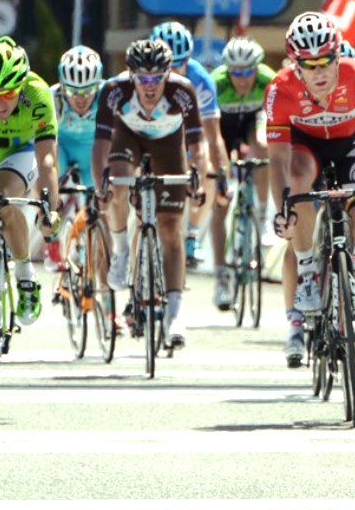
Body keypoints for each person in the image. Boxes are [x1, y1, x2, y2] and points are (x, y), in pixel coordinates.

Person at [266, 12, 355, 394]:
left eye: (327, 61)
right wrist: (283, 211)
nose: (320, 71)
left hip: (350, 145)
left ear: (337, 55)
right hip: (304, 146)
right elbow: (276, 158)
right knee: (296, 181)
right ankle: (308, 269)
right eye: (309, 65)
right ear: (296, 64)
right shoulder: (280, 88)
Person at [94, 38, 207, 349]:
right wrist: (99, 186)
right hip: (127, 138)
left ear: (167, 75)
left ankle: (175, 313)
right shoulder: (113, 90)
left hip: (168, 144)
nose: (149, 86)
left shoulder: (182, 91)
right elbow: (101, 144)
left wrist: (198, 180)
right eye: (142, 78)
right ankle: (120, 250)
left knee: (171, 227)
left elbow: (198, 145)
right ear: (131, 75)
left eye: (156, 78)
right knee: (117, 182)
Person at [0, 38, 59, 357]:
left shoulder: (38, 94)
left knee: (1, 199)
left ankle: (24, 275)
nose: (0, 103)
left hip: (20, 157)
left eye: (7, 94)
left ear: (21, 87)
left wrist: (49, 207)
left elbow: (47, 160)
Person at [149, 21, 229, 267]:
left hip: (187, 138)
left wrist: (222, 175)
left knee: (205, 158)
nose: (173, 71)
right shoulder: (145, 78)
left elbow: (213, 135)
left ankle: (193, 232)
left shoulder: (200, 80)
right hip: (153, 136)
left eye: (180, 64)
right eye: (168, 66)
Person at [209, 37, 278, 310]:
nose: (241, 79)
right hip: (222, 131)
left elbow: (272, 121)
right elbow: (210, 131)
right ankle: (221, 276)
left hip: (253, 123)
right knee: (221, 203)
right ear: (227, 71)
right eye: (235, 73)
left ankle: (261, 215)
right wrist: (220, 167)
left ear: (256, 69)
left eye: (247, 72)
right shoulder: (217, 83)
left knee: (263, 147)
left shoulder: (267, 80)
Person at [48, 46, 104, 268]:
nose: (80, 99)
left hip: (92, 149)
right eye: (73, 92)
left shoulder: (108, 95)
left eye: (88, 92)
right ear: (62, 87)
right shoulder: (53, 97)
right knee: (48, 174)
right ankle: (50, 237)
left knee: (99, 195)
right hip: (62, 146)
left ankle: (88, 240)